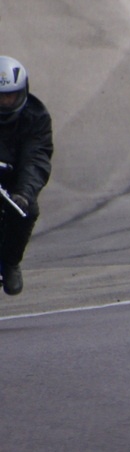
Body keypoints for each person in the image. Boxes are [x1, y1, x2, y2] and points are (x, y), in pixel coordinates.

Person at [0, 56, 52, 297]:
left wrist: (24, 193)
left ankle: (10, 262)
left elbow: (36, 158)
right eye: (0, 97)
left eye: (10, 97)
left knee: (27, 210)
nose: (5, 102)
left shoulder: (36, 117)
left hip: (13, 178)